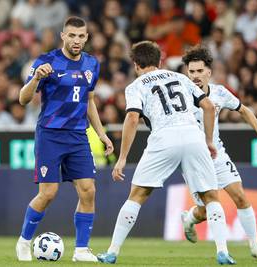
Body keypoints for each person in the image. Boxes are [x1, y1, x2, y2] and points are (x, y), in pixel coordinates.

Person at [97, 41, 236, 265]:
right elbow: (208, 106)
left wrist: (122, 158)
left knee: (137, 195)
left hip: (163, 137)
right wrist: (209, 141)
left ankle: (112, 252)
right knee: (211, 196)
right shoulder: (181, 77)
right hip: (193, 135)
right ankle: (222, 251)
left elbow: (133, 118)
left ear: (135, 64)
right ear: (160, 61)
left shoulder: (135, 86)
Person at [15, 16, 114, 262]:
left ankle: (81, 250)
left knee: (88, 190)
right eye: (72, 35)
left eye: (81, 36)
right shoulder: (46, 61)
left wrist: (101, 134)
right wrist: (36, 78)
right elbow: (23, 99)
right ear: (63, 36)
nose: (76, 40)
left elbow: (90, 101)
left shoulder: (92, 63)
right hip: (50, 134)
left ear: (87, 37)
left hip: (78, 135)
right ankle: (24, 241)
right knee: (48, 193)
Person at [180, 45, 257, 259]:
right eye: (191, 72)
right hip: (193, 159)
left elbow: (244, 110)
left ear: (208, 72)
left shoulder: (220, 92)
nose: (195, 76)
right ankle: (191, 217)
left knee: (240, 196)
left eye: (199, 71)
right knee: (207, 208)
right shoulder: (181, 95)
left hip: (216, 153)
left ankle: (255, 246)